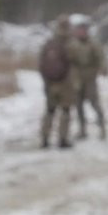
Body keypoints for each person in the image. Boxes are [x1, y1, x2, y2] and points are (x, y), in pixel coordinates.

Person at [39, 16, 76, 149]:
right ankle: (63, 138)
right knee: (65, 111)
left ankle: (44, 138)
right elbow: (76, 62)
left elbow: (41, 64)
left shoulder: (49, 43)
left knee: (50, 111)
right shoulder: (70, 44)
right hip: (65, 83)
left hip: (50, 83)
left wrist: (46, 82)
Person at [71, 19, 107, 140]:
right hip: (77, 78)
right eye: (79, 30)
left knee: (95, 103)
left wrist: (102, 69)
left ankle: (102, 128)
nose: (80, 33)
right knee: (78, 105)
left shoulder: (93, 44)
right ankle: (82, 130)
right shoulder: (73, 44)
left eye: (83, 30)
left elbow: (100, 57)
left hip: (90, 78)